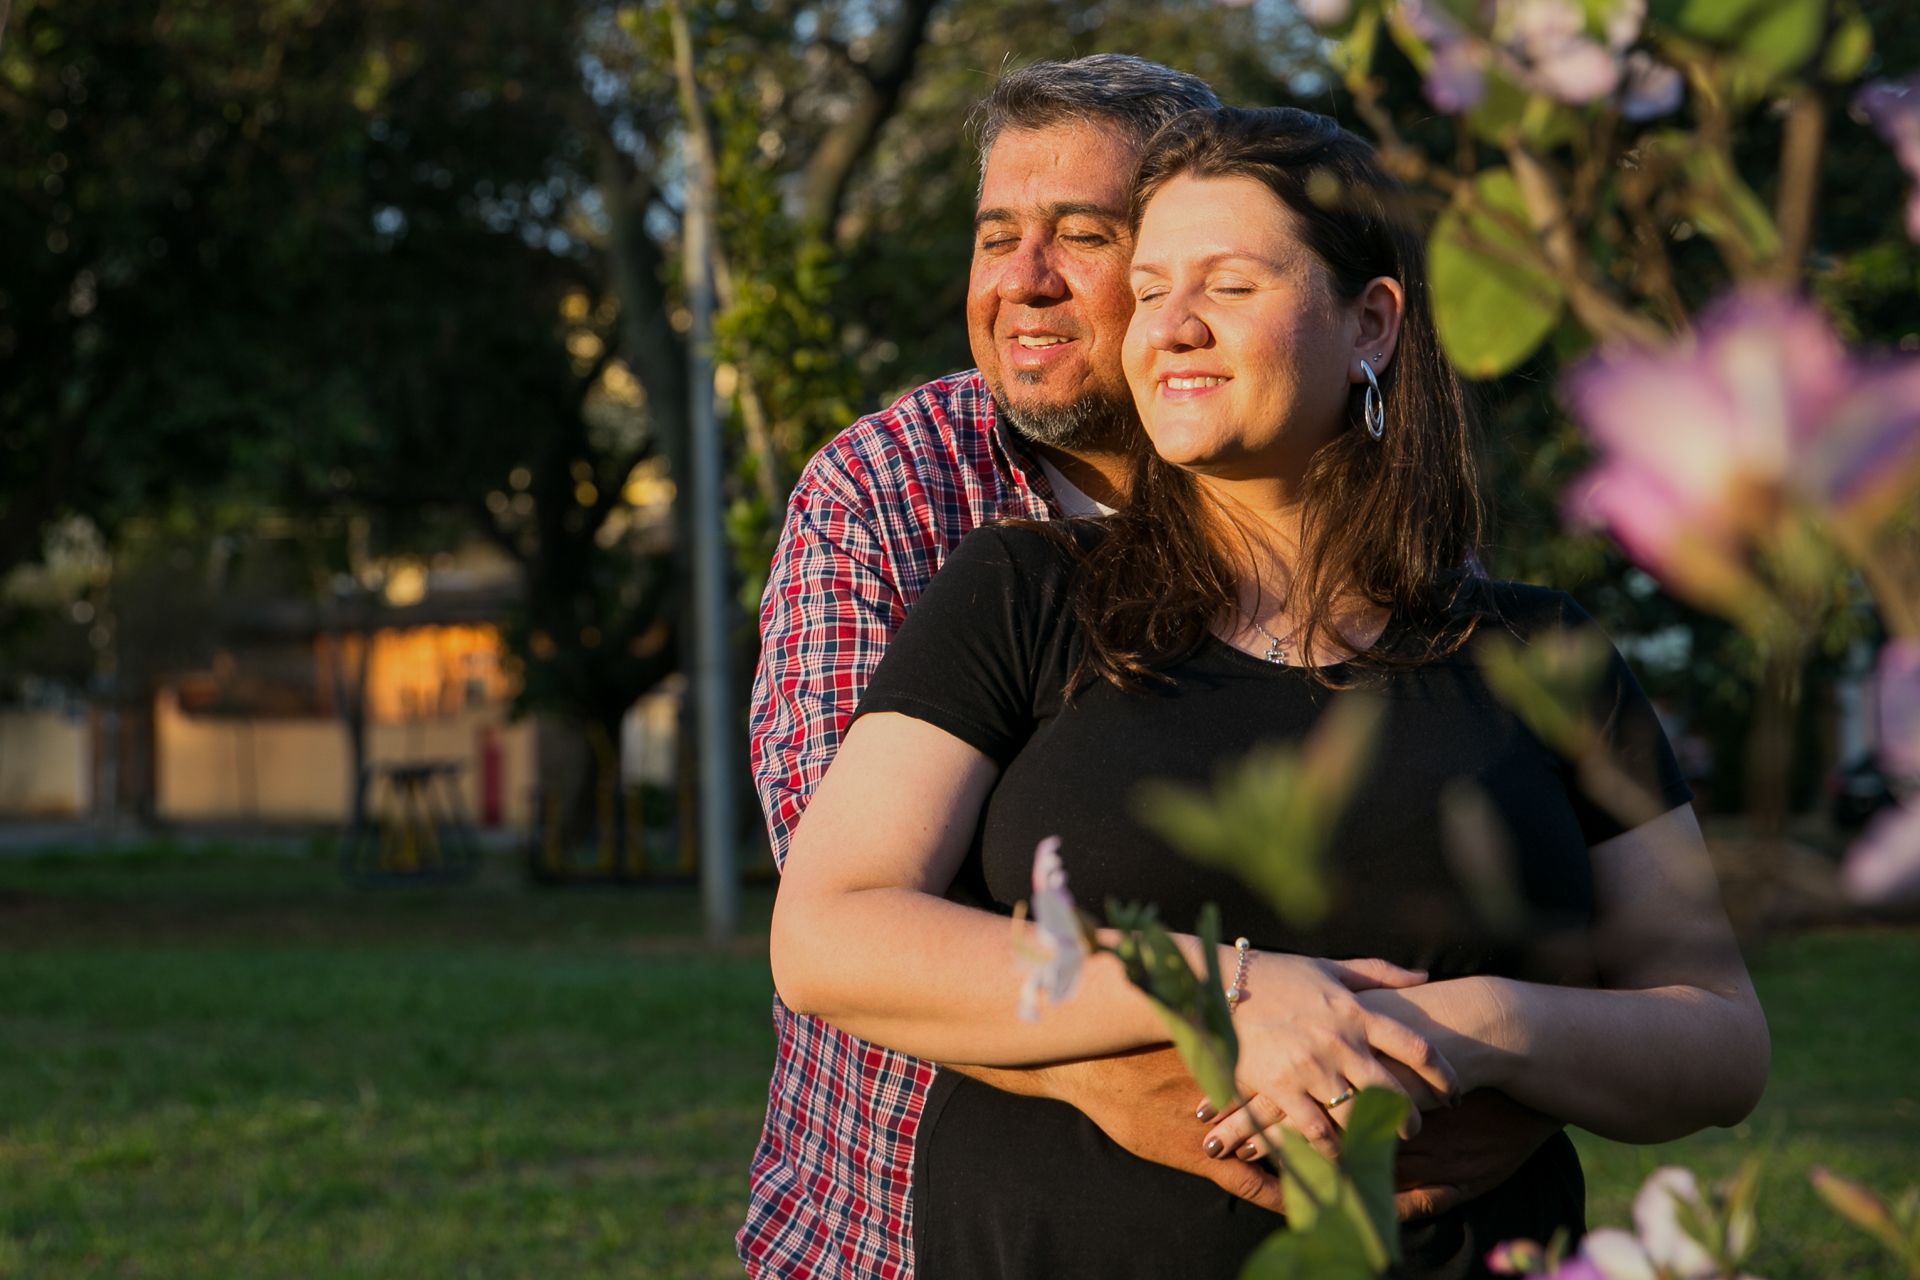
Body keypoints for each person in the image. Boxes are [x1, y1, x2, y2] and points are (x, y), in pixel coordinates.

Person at [766, 105, 1770, 1279]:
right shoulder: (1020, 592)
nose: (1170, 327)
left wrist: (1485, 1025)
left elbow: (1720, 1036)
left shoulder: (1538, 653)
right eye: (1147, 290)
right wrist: (1231, 986)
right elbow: (832, 932)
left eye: (1229, 285)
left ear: (1372, 323)